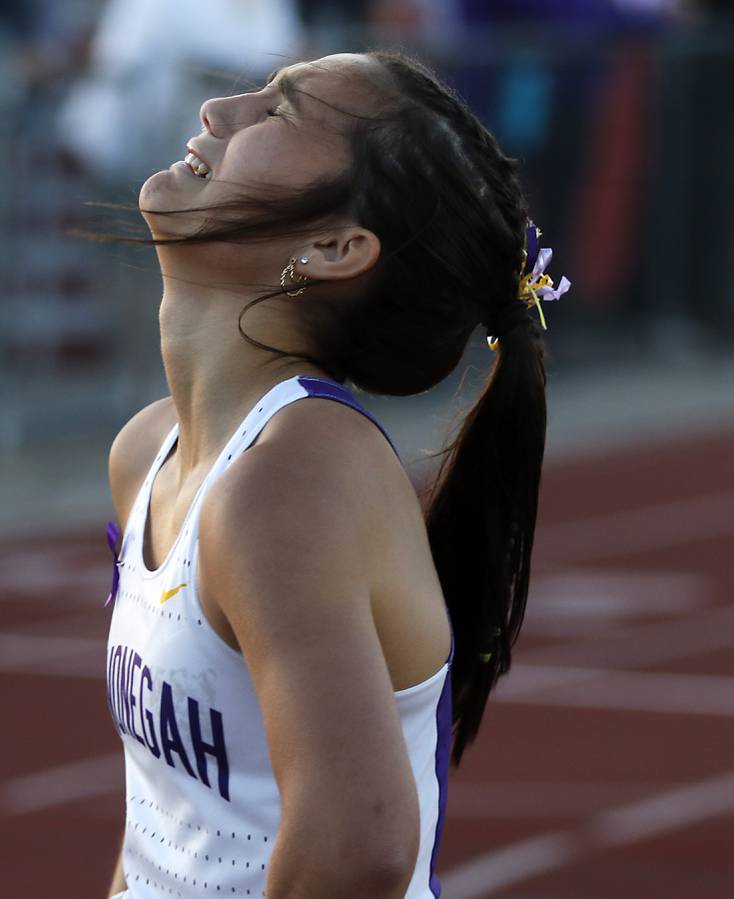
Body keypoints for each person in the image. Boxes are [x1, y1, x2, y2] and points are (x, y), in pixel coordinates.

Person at [94, 49, 558, 899]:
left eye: (277, 111)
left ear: (335, 246)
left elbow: (360, 845)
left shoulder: (293, 482)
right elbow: (163, 819)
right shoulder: (148, 451)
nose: (220, 110)